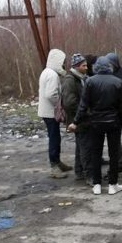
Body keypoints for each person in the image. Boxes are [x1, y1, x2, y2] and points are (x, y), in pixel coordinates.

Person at [69, 56, 122, 195]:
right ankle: (113, 184)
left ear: (96, 67)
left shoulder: (90, 81)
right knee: (113, 153)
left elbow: (83, 105)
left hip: (95, 122)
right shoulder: (117, 82)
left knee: (96, 153)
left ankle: (97, 184)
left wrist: (75, 122)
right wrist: (120, 121)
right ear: (109, 67)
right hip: (113, 123)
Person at [37, 48, 71, 178]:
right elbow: (51, 94)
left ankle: (57, 162)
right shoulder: (52, 74)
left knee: (55, 137)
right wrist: (59, 105)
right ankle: (54, 166)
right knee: (54, 138)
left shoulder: (47, 72)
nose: (63, 64)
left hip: (47, 111)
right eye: (62, 62)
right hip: (50, 112)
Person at [62, 53, 91, 184]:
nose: (87, 67)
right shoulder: (70, 80)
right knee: (85, 147)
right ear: (77, 66)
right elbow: (69, 103)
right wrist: (84, 110)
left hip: (80, 118)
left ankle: (79, 171)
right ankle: (88, 174)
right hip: (78, 119)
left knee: (80, 146)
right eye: (84, 65)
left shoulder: (81, 78)